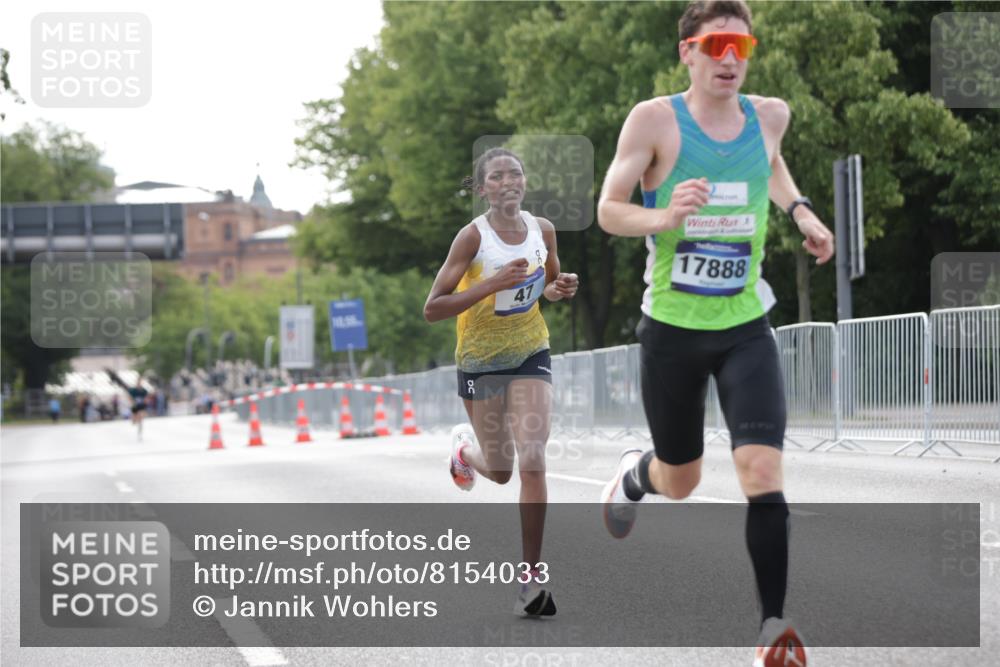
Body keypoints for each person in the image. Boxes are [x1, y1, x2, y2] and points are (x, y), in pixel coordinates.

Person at [596, 2, 834, 665]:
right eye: (717, 44)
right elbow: (609, 209)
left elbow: (775, 159)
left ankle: (772, 627)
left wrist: (801, 212)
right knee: (683, 480)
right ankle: (636, 476)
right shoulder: (654, 122)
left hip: (744, 327)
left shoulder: (771, 115)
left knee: (760, 468)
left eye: (742, 44)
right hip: (671, 329)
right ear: (689, 53)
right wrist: (664, 214)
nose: (731, 57)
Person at [424, 147, 579, 617]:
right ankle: (463, 453)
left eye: (516, 173)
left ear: (525, 182)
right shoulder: (471, 239)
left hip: (531, 350)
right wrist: (490, 285)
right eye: (497, 176)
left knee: (533, 459)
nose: (508, 181)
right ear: (483, 187)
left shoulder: (543, 230)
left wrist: (559, 288)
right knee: (502, 468)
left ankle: (530, 581)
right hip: (480, 362)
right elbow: (433, 308)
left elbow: (547, 285)